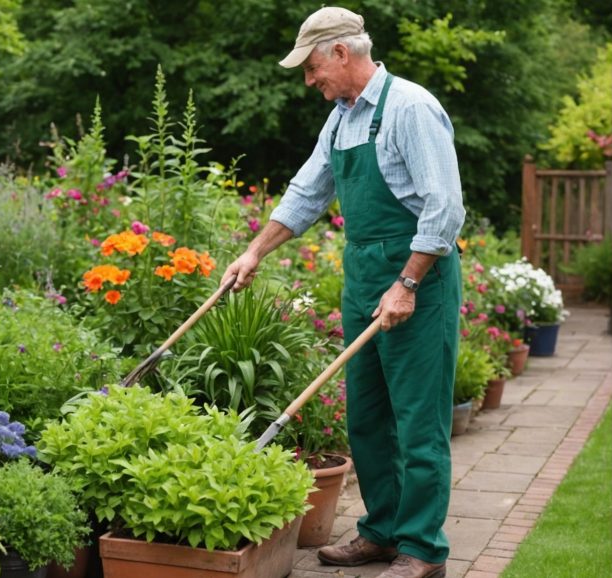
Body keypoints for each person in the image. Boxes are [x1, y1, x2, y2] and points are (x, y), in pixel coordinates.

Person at [221, 7, 464, 578]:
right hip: (362, 276)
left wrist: (407, 284)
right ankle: (380, 532)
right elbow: (307, 191)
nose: (310, 81)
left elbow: (444, 208)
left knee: (419, 420)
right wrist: (255, 251)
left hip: (416, 279)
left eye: (310, 68)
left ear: (340, 52)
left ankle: (422, 549)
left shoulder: (410, 107)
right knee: (368, 415)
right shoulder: (341, 119)